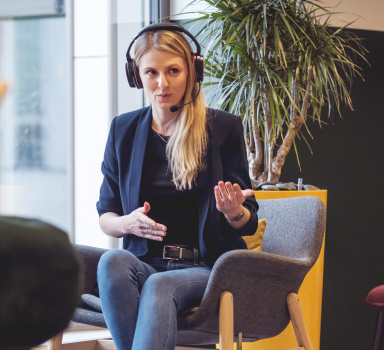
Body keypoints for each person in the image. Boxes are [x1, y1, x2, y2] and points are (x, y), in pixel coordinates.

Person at [95, 23, 259, 350]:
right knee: (111, 262)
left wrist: (233, 211)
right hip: (146, 262)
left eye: (173, 71)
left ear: (193, 71)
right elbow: (106, 215)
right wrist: (127, 222)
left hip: (206, 266)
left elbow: (249, 221)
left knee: (159, 286)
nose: (162, 83)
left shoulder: (222, 127)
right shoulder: (122, 130)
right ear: (136, 75)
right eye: (151, 72)